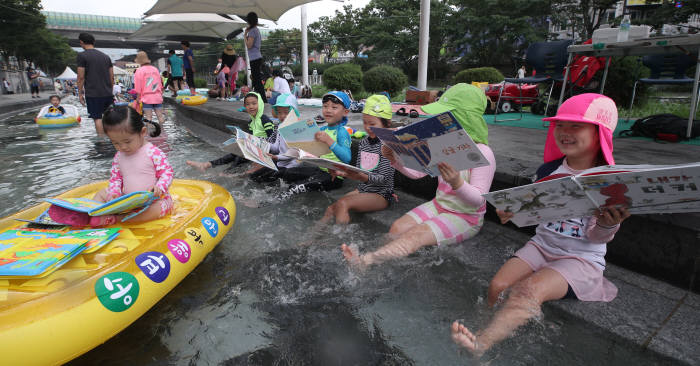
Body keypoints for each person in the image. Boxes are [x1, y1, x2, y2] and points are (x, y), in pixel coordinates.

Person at [450, 93, 631, 357]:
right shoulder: (548, 171)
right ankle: (486, 329)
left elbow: (596, 237)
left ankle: (481, 345)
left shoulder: (608, 181)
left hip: (580, 258)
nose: (564, 132)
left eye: (575, 126)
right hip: (542, 245)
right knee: (497, 287)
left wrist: (607, 224)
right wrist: (512, 212)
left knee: (527, 291)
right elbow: (536, 214)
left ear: (599, 133)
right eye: (560, 125)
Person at [341, 83, 496, 269]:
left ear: (463, 118)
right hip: (439, 205)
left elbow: (478, 201)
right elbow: (417, 174)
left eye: (444, 116)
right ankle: (378, 261)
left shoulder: (483, 152)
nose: (438, 120)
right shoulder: (443, 143)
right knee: (397, 228)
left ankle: (366, 261)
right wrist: (396, 160)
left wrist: (457, 183)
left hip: (465, 216)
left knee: (416, 235)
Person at [48, 105, 171, 227]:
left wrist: (159, 187)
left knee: (159, 208)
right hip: (128, 199)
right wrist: (114, 192)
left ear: (142, 132)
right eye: (115, 143)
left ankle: (118, 219)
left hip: (152, 199)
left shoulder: (153, 152)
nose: (122, 147)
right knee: (102, 193)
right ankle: (89, 214)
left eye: (127, 141)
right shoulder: (119, 156)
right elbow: (116, 178)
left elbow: (167, 173)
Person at [320, 94, 395, 225]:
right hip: (363, 189)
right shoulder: (364, 143)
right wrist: (340, 172)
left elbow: (383, 179)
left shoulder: (388, 146)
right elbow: (359, 171)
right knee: (331, 208)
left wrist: (361, 177)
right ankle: (310, 239)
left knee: (343, 203)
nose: (367, 127)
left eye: (372, 124)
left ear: (386, 124)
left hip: (381, 194)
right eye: (365, 122)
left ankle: (338, 241)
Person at [277, 91, 352, 201]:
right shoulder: (322, 129)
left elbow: (347, 158)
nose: (328, 110)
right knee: (287, 173)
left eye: (334, 107)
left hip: (334, 176)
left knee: (295, 188)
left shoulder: (342, 132)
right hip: (319, 170)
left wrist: (329, 141)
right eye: (325, 106)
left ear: (345, 112)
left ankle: (270, 202)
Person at [186, 92, 274, 171]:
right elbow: (252, 136)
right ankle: (207, 165)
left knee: (240, 156)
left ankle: (226, 173)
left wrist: (256, 145)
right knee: (235, 153)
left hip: (264, 151)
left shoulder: (265, 120)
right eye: (247, 104)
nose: (251, 106)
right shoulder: (252, 122)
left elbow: (272, 138)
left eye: (254, 103)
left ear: (260, 104)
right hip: (254, 148)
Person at [77, 32, 114, 135]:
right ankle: (113, 139)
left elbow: (80, 77)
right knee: (110, 118)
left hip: (93, 93)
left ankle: (102, 143)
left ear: (81, 42)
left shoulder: (82, 56)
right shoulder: (106, 56)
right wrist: (110, 91)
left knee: (97, 118)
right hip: (107, 93)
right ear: (94, 42)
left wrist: (80, 93)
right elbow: (112, 76)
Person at [132, 51, 165, 126]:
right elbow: (160, 83)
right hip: (157, 96)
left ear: (139, 61)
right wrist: (160, 93)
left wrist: (138, 98)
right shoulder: (155, 69)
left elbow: (138, 86)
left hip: (147, 98)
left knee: (148, 117)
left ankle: (150, 134)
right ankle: (162, 131)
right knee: (160, 116)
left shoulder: (139, 71)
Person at [244, 12, 266, 103]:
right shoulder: (255, 30)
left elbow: (249, 45)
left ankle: (263, 100)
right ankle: (259, 99)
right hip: (256, 58)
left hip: (255, 58)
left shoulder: (253, 31)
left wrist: (245, 35)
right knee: (256, 80)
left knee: (257, 81)